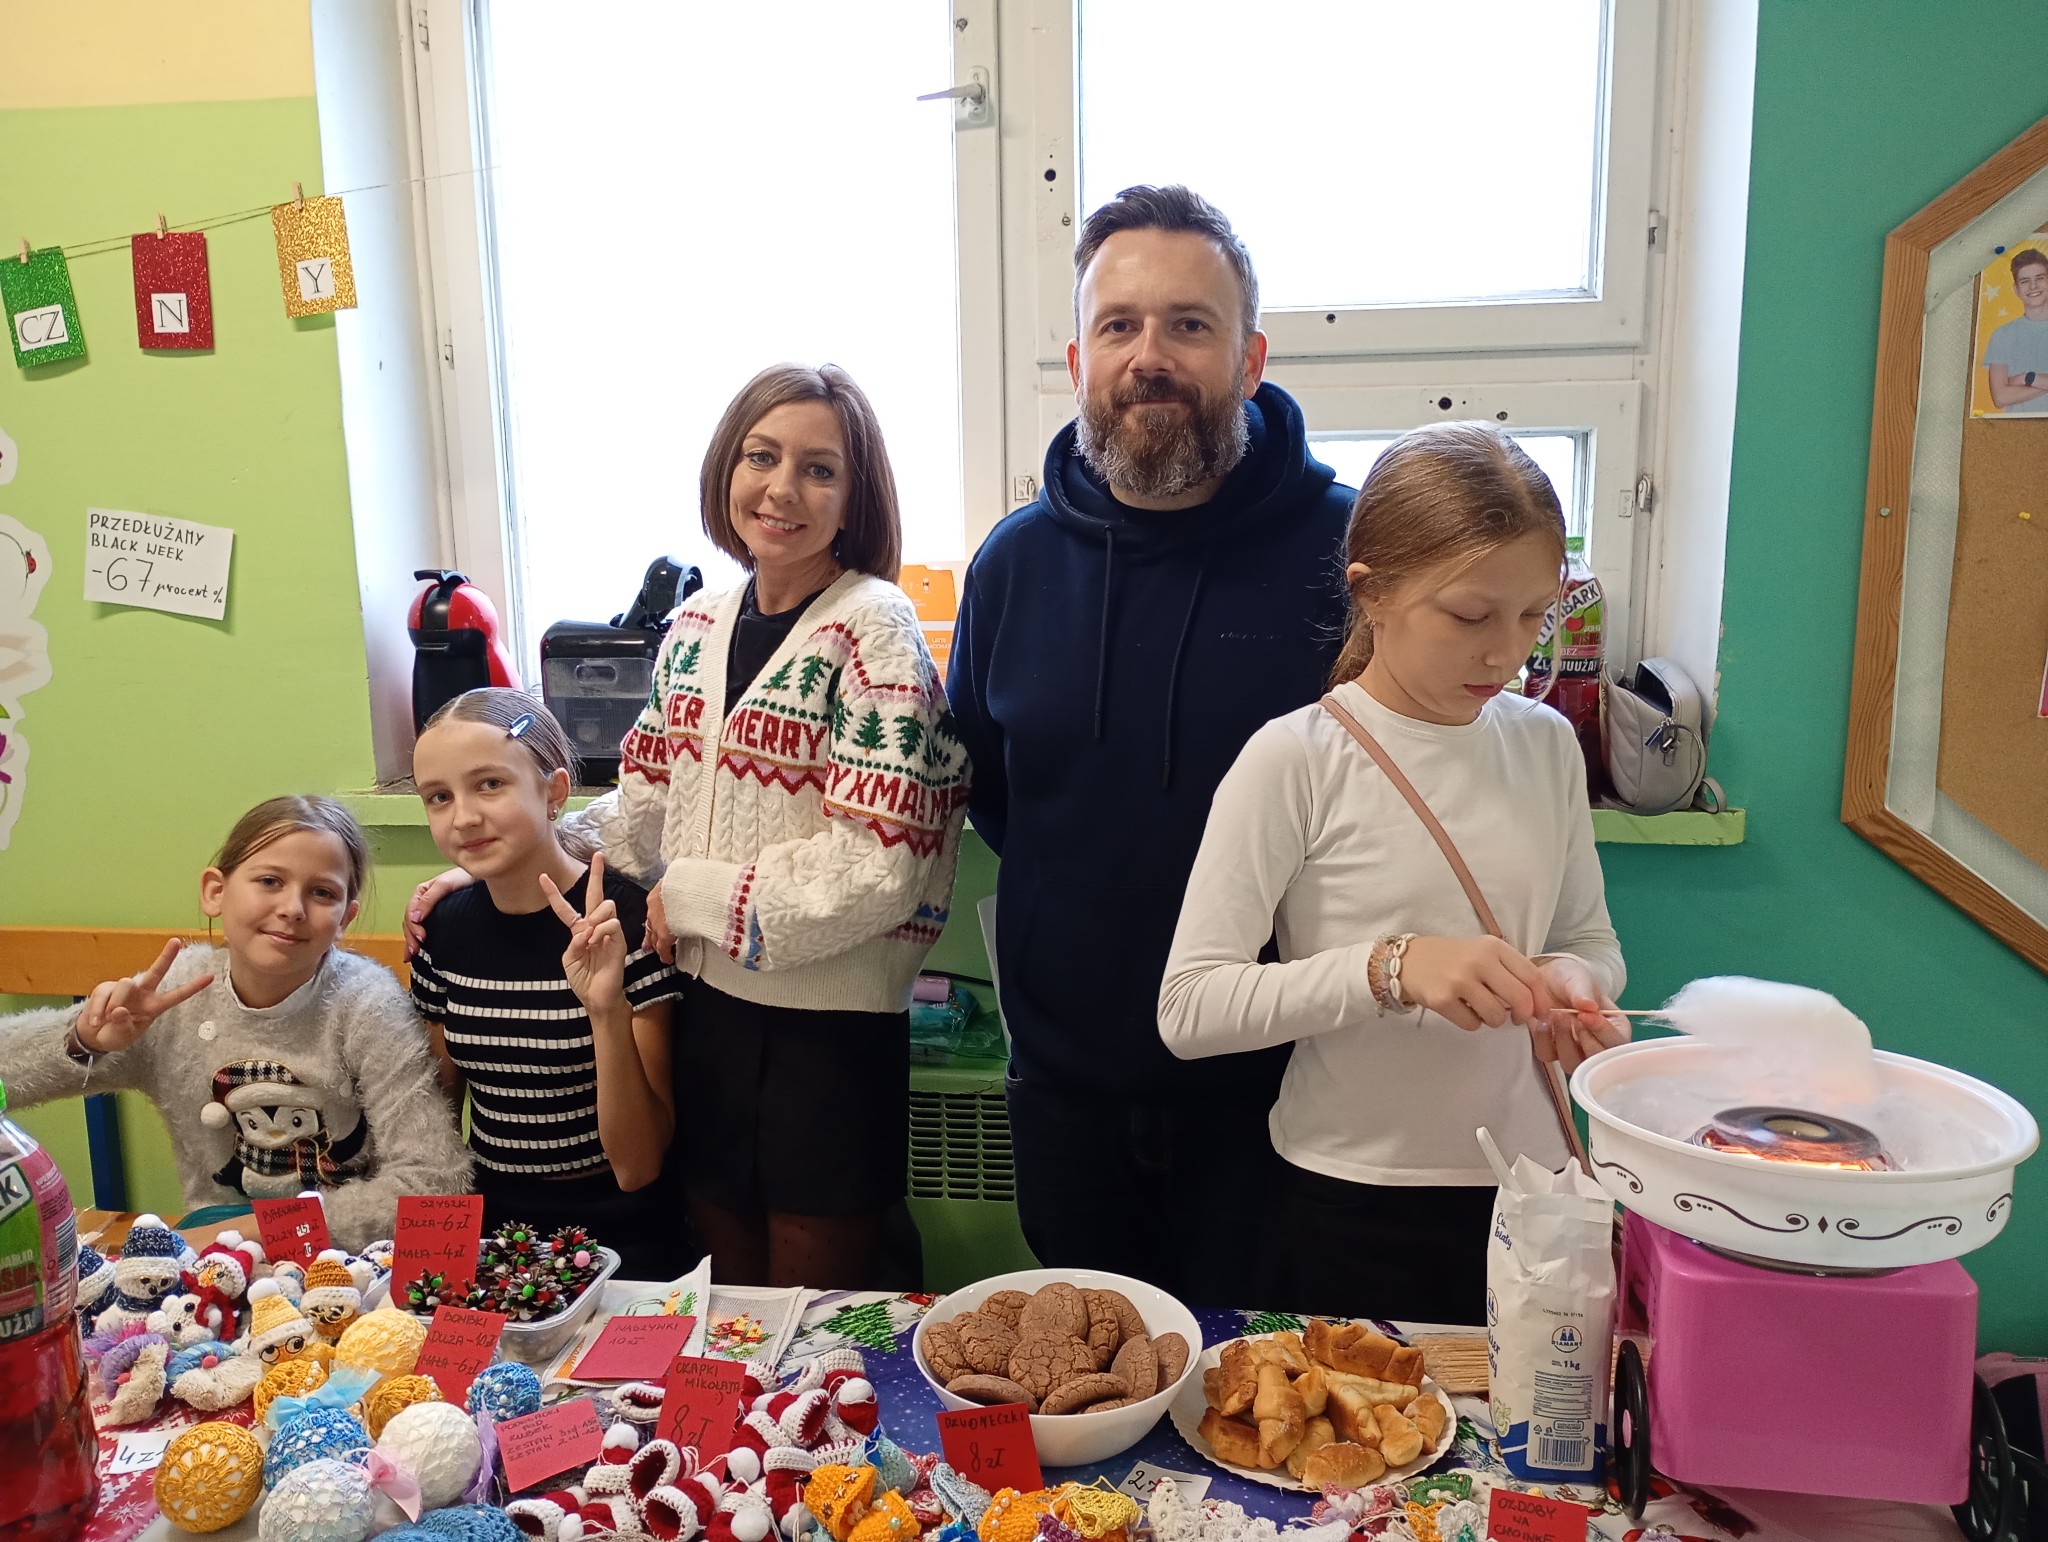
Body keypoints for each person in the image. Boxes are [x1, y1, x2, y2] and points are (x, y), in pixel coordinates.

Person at [408, 364, 968, 1288]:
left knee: (817, 1309)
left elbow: (880, 866)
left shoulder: (875, 628)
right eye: (761, 457)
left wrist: (693, 894)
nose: (782, 489)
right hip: (705, 1012)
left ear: (855, 495)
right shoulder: (696, 625)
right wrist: (502, 863)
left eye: (819, 469)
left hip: (827, 1036)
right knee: (728, 1296)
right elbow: (641, 811)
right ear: (726, 469)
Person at [947, 185, 1352, 1303]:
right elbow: (996, 790)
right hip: (1065, 1093)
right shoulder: (1013, 565)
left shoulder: (1351, 555)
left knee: (1261, 1381)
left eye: (1189, 325)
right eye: (1119, 326)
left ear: (1250, 358)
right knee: (1091, 1376)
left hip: (1281, 1093)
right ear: (1079, 358)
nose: (1150, 357)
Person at [1157, 422, 1628, 1324]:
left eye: (1535, 615)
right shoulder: (1296, 758)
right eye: (1470, 616)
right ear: (1372, 592)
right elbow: (1190, 1010)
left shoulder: (1545, 743)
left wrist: (1577, 982)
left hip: (1533, 1193)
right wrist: (1392, 968)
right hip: (1348, 1204)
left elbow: (1588, 938)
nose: (1506, 654)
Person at [0, 796, 469, 1250]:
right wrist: (83, 1041)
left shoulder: (367, 1003)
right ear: (215, 892)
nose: (293, 908)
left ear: (345, 917)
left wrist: (255, 1231)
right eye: (269, 881)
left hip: (347, 1256)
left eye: (322, 892)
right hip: (215, 1256)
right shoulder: (178, 993)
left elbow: (433, 1183)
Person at [408, 689, 685, 1278]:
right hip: (491, 1229)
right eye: (439, 797)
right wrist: (430, 1259)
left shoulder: (625, 921)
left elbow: (638, 1167)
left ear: (554, 791)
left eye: (489, 784)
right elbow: (438, 1119)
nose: (464, 817)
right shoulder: (441, 930)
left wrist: (605, 1009)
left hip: (621, 1234)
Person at [1984, 247, 2048, 412]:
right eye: (2025, 281)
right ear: (2016, 290)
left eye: (2040, 278)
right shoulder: (2003, 335)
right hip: (2019, 425)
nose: (2033, 286)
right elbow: (2001, 397)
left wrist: (2029, 378)